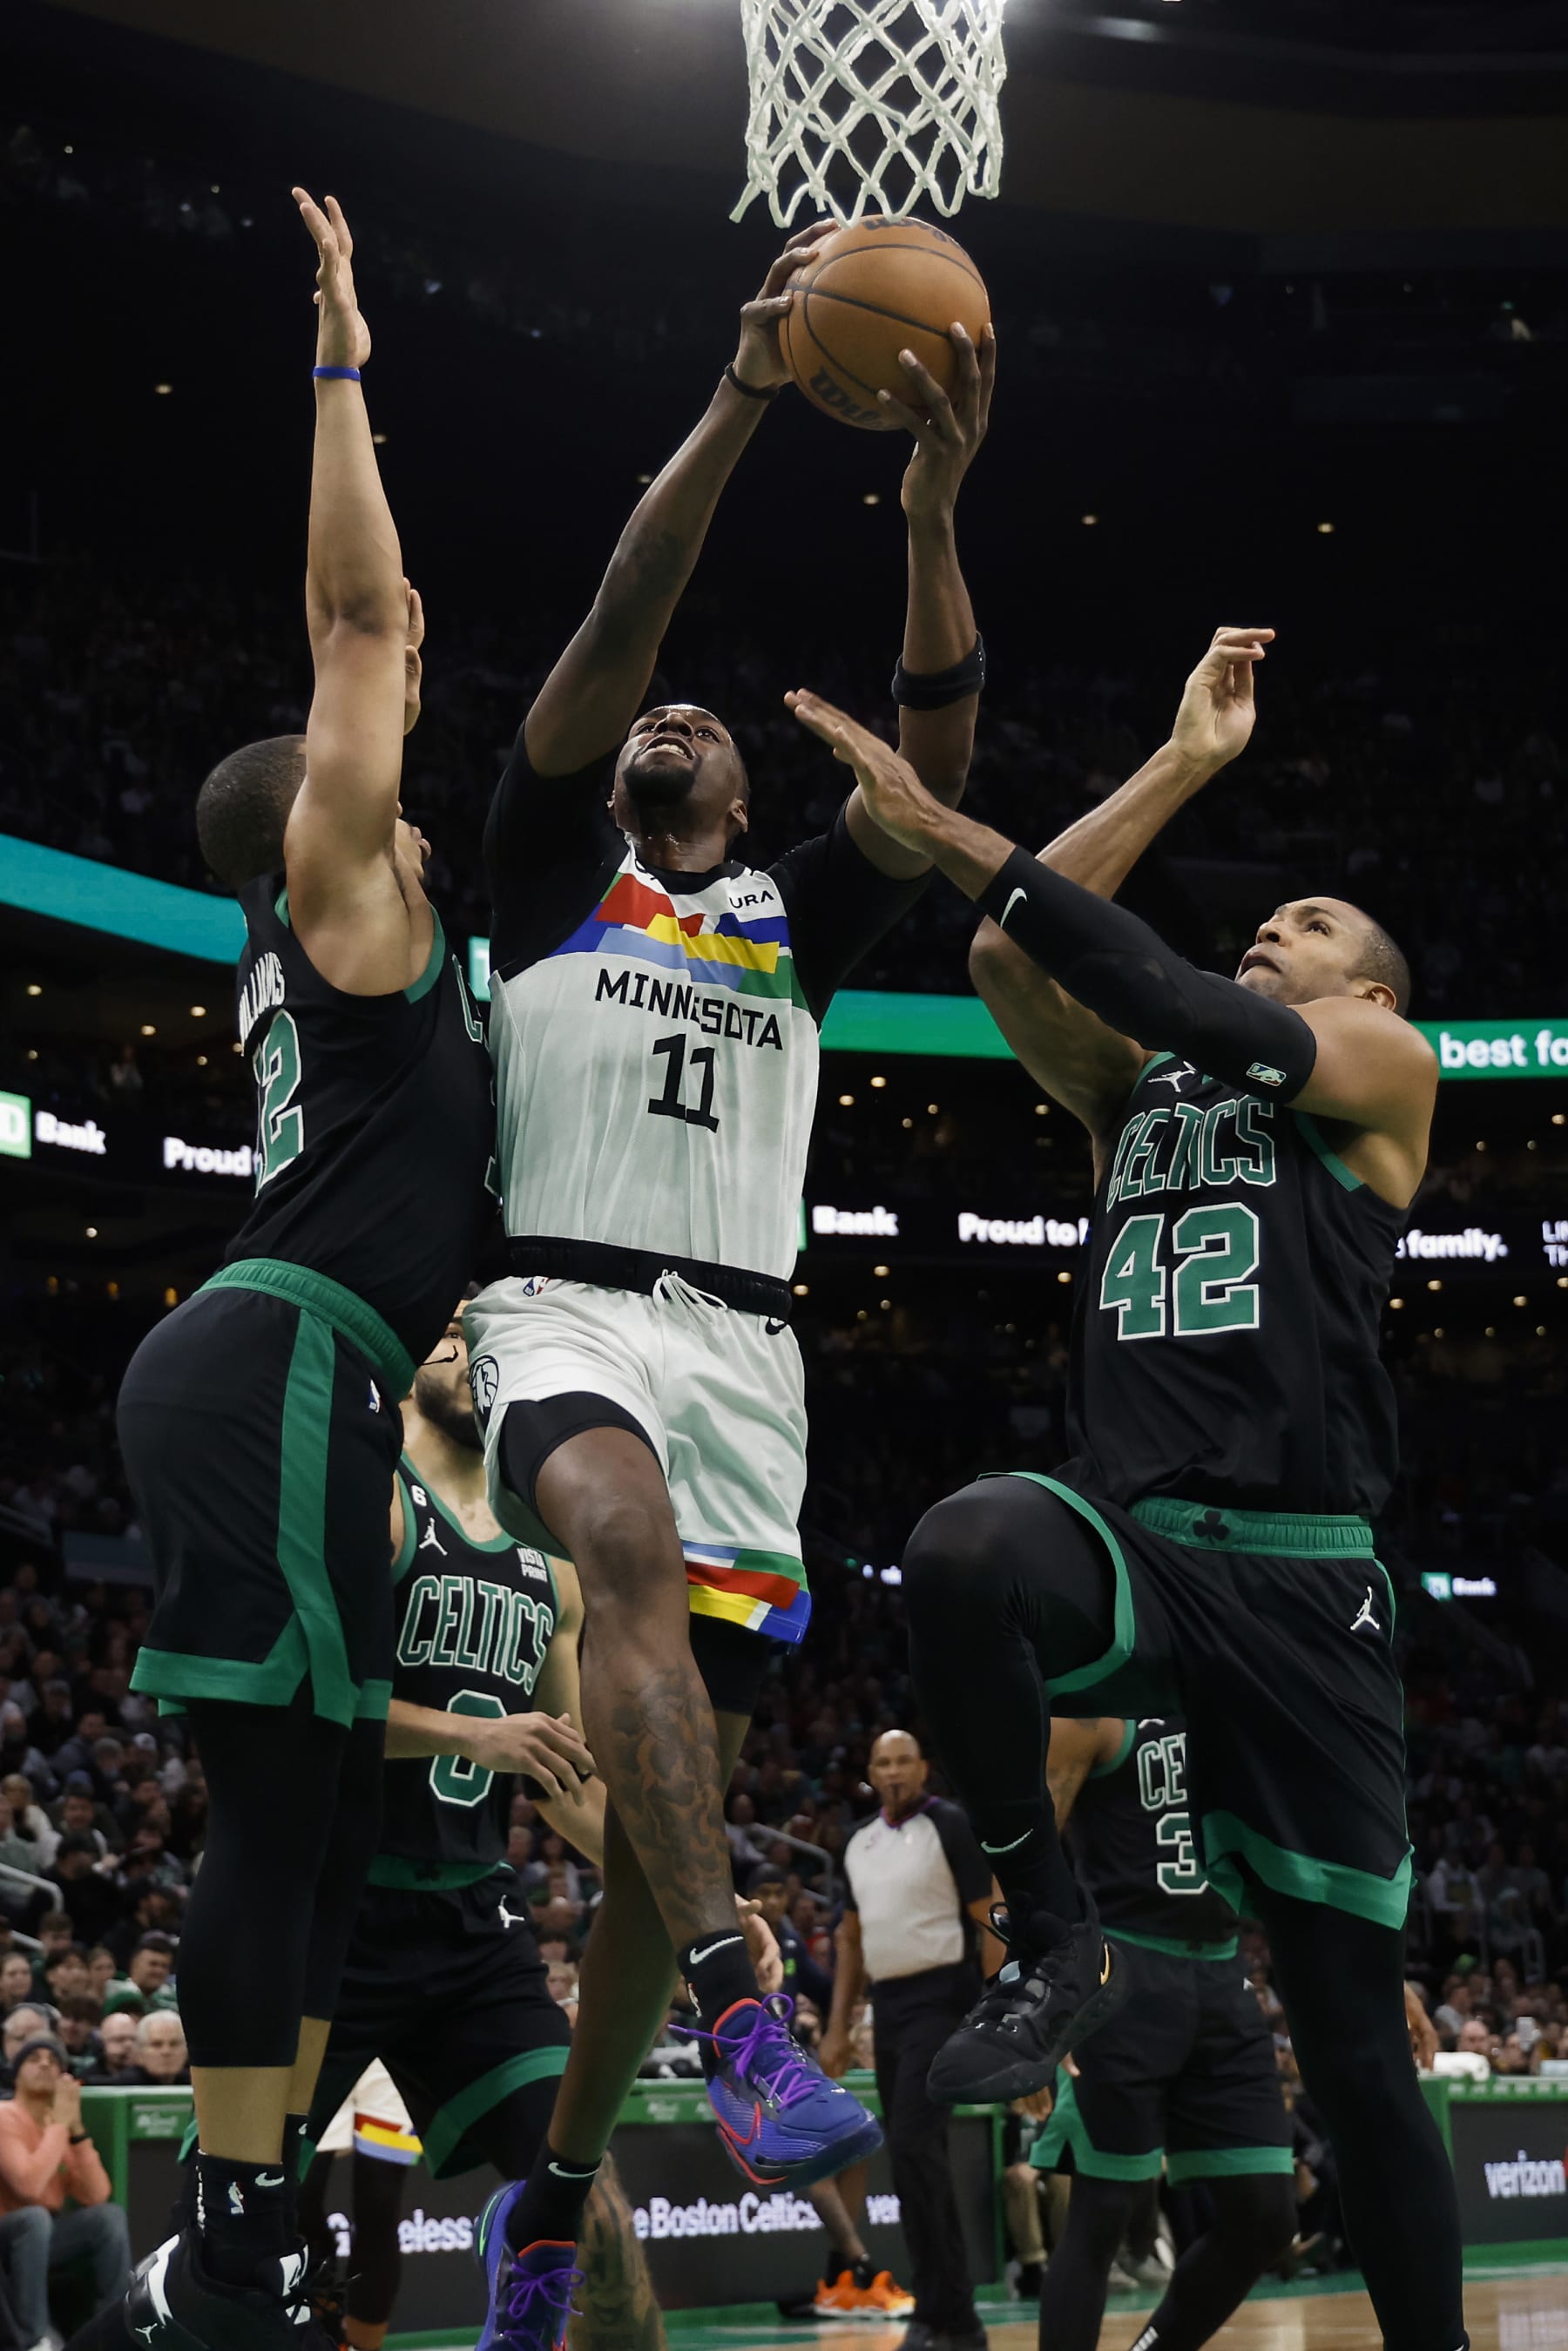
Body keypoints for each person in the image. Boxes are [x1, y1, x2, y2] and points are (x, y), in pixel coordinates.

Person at [785, 638, 1468, 2350]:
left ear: (1368, 988)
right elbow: (1017, 945)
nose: (1273, 930)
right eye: (1268, 917)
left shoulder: (1383, 1067)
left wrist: (942, 814)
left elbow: (1174, 992)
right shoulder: (1137, 1092)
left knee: (1356, 2041)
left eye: (1307, 922)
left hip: (1305, 1574)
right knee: (956, 1548)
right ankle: (1055, 1935)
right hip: (1140, 1537)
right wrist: (1179, 765)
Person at [463, 226, 995, 2342]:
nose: (674, 711)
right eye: (650, 720)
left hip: (748, 1351)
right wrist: (749, 394)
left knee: (656, 1802)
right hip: (563, 1307)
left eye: (711, 721)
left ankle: (553, 2194)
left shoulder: (791, 921)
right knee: (610, 1534)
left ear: (754, 797)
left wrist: (933, 519)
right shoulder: (540, 868)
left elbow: (940, 742)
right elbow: (625, 606)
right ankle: (742, 2004)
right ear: (616, 780)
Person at [116, 191, 495, 2351]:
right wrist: (344, 356)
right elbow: (365, 616)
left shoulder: (377, 964)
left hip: (305, 1371)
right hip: (276, 1362)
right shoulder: (347, 898)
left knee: (329, 1802)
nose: (415, 679)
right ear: (311, 825)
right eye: (388, 704)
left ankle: (241, 2231)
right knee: (283, 1811)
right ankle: (229, 2224)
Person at [303, 1306, 666, 2351]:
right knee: (233, 2257)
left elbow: (571, 1781)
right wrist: (482, 1733)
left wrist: (703, 1905)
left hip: (473, 1928)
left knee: (596, 2220)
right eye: (451, 1331)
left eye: (487, 1337)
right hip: (331, 1913)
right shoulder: (372, 1495)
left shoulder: (548, 1564)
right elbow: (301, 1707)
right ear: (407, 1355)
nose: (470, 1349)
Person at [1029, 1717, 1294, 2348]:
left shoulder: (1238, 1697)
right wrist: (1035, 1999)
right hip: (1123, 1959)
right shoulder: (1092, 1702)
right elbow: (1026, 1853)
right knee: (1103, 2209)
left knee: (1266, 2215)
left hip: (1224, 1969)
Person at [820, 1732, 1000, 2351]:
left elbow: (988, 1911)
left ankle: (947, 2311)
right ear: (870, 1771)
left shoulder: (949, 1824)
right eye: (883, 1762)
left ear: (923, 1766)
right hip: (890, 2007)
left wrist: (1000, 2006)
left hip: (945, 1997)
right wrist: (840, 2024)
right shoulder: (859, 1842)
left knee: (916, 2143)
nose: (893, 1771)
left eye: (904, 1760)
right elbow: (850, 1939)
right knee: (911, 2156)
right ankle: (950, 2314)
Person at [0, 2034, 130, 2343]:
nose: (45, 2064)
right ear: (16, 2074)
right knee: (34, 2218)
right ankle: (34, 2337)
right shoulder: (5, 2115)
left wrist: (75, 2131)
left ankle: (117, 2326)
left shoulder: (56, 2124)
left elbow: (96, 2194)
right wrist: (60, 2126)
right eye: (34, 2059)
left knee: (107, 2217)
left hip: (44, 2236)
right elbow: (28, 2186)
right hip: (8, 2234)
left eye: (53, 2060)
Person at [125, 2014, 190, 2087]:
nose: (166, 2051)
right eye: (157, 2045)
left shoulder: (198, 2084)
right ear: (139, 2052)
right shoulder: (118, 2087)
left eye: (174, 2044)